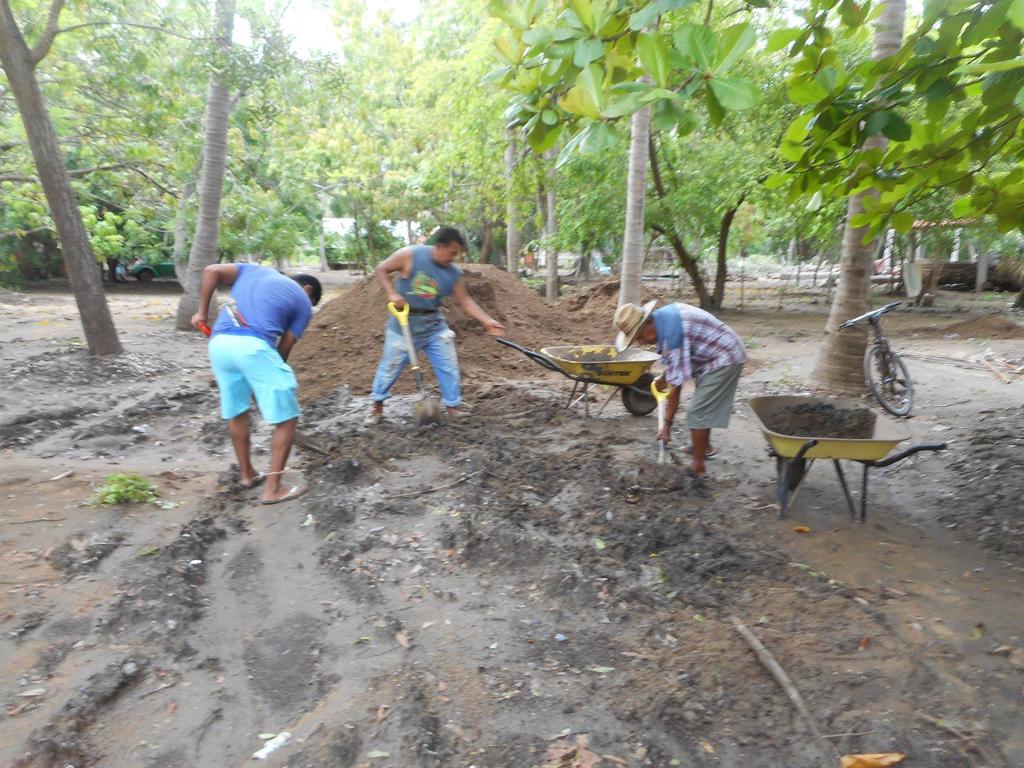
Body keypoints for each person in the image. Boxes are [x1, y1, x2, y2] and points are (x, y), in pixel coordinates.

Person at [191, 263, 322, 504]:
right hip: (253, 346)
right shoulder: (303, 304)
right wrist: (263, 381)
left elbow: (210, 271)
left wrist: (201, 313)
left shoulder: (253, 270)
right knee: (287, 418)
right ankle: (273, 489)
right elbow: (284, 349)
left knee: (238, 412)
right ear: (307, 289)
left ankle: (248, 475)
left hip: (219, 345)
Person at [367, 227, 505, 424]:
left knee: (448, 365)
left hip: (433, 324)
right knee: (390, 367)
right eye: (452, 253)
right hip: (404, 324)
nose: (454, 258)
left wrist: (486, 320)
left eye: (457, 254)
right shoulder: (410, 255)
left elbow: (465, 301)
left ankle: (452, 406)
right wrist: (391, 293)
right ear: (440, 247)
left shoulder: (453, 273)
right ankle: (377, 408)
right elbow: (381, 269)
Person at [613, 301, 746, 475]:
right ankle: (703, 446)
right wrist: (665, 376)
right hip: (709, 357)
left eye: (640, 336)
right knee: (701, 407)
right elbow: (679, 362)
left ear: (648, 323)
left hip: (725, 357)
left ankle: (698, 468)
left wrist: (666, 426)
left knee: (697, 411)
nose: (641, 342)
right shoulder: (664, 319)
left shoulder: (673, 335)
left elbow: (676, 388)